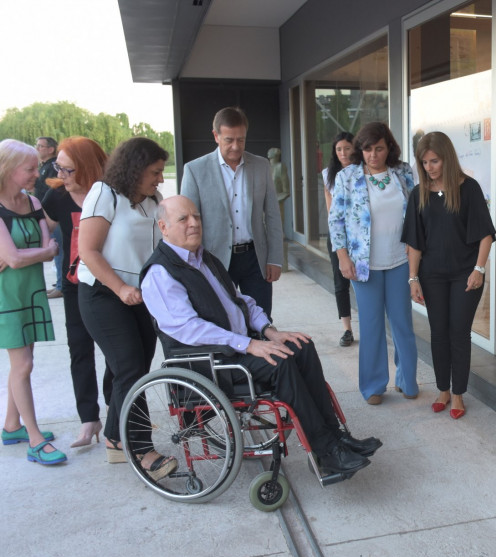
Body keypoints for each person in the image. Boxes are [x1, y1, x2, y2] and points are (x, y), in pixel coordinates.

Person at [141, 195, 379, 474]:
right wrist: (249, 344)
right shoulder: (160, 273)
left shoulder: (205, 259)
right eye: (184, 219)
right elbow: (189, 329)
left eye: (196, 216)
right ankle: (326, 451)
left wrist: (269, 331)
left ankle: (337, 437)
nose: (194, 223)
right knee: (280, 364)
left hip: (237, 349)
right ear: (164, 227)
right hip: (210, 362)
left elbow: (241, 301)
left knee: (300, 346)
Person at [78, 137, 173, 477]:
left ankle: (116, 437)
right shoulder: (104, 194)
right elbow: (87, 250)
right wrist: (120, 288)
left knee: (131, 367)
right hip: (103, 294)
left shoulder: (153, 200)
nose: (160, 179)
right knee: (131, 368)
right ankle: (139, 448)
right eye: (155, 172)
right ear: (134, 169)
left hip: (139, 297)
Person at [404, 132, 495, 419]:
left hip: (465, 275)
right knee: (438, 332)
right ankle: (442, 389)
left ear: (447, 158)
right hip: (432, 277)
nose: (430, 167)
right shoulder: (417, 194)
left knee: (458, 332)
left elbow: (485, 235)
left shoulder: (469, 189)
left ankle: (458, 394)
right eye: (425, 162)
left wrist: (479, 270)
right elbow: (414, 243)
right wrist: (413, 278)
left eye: (435, 161)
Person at [329, 122, 419, 405]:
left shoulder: (403, 173)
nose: (373, 155)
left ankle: (406, 380)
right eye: (367, 149)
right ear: (361, 150)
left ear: (388, 148)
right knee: (371, 326)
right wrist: (342, 256)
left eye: (379, 148)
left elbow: (418, 214)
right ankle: (373, 386)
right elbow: (336, 219)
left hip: (400, 261)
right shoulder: (347, 176)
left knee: (402, 323)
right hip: (362, 265)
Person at [181, 107, 284, 317]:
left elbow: (272, 214)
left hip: (255, 257)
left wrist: (274, 258)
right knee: (222, 320)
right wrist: (192, 265)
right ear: (215, 136)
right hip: (214, 259)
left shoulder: (261, 166)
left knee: (262, 319)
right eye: (229, 140)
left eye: (241, 139)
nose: (236, 146)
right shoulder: (195, 170)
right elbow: (187, 222)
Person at [42, 137, 112, 447]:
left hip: (111, 284)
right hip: (75, 286)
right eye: (58, 167)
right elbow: (39, 229)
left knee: (117, 353)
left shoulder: (111, 194)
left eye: (67, 169)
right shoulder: (56, 197)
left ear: (85, 167)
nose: (61, 174)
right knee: (79, 349)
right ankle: (89, 418)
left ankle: (119, 411)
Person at [0, 139, 64, 464]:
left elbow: (46, 246)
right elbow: (13, 259)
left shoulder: (34, 202)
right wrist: (29, 254)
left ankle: (12, 426)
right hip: (6, 296)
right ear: (9, 170)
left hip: (31, 291)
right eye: (30, 169)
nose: (36, 174)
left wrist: (26, 255)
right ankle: (35, 439)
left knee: (24, 363)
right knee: (22, 364)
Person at [322, 132, 355, 347]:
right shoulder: (328, 174)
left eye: (347, 148)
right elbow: (330, 208)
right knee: (340, 283)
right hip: (338, 235)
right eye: (338, 149)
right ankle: (347, 329)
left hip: (360, 236)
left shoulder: (363, 171)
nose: (343, 153)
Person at [34, 136, 63, 299]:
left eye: (40, 146)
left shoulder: (52, 167)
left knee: (58, 250)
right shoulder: (45, 166)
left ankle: (61, 286)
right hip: (47, 214)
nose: (37, 149)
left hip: (53, 215)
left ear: (51, 149)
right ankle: (59, 283)